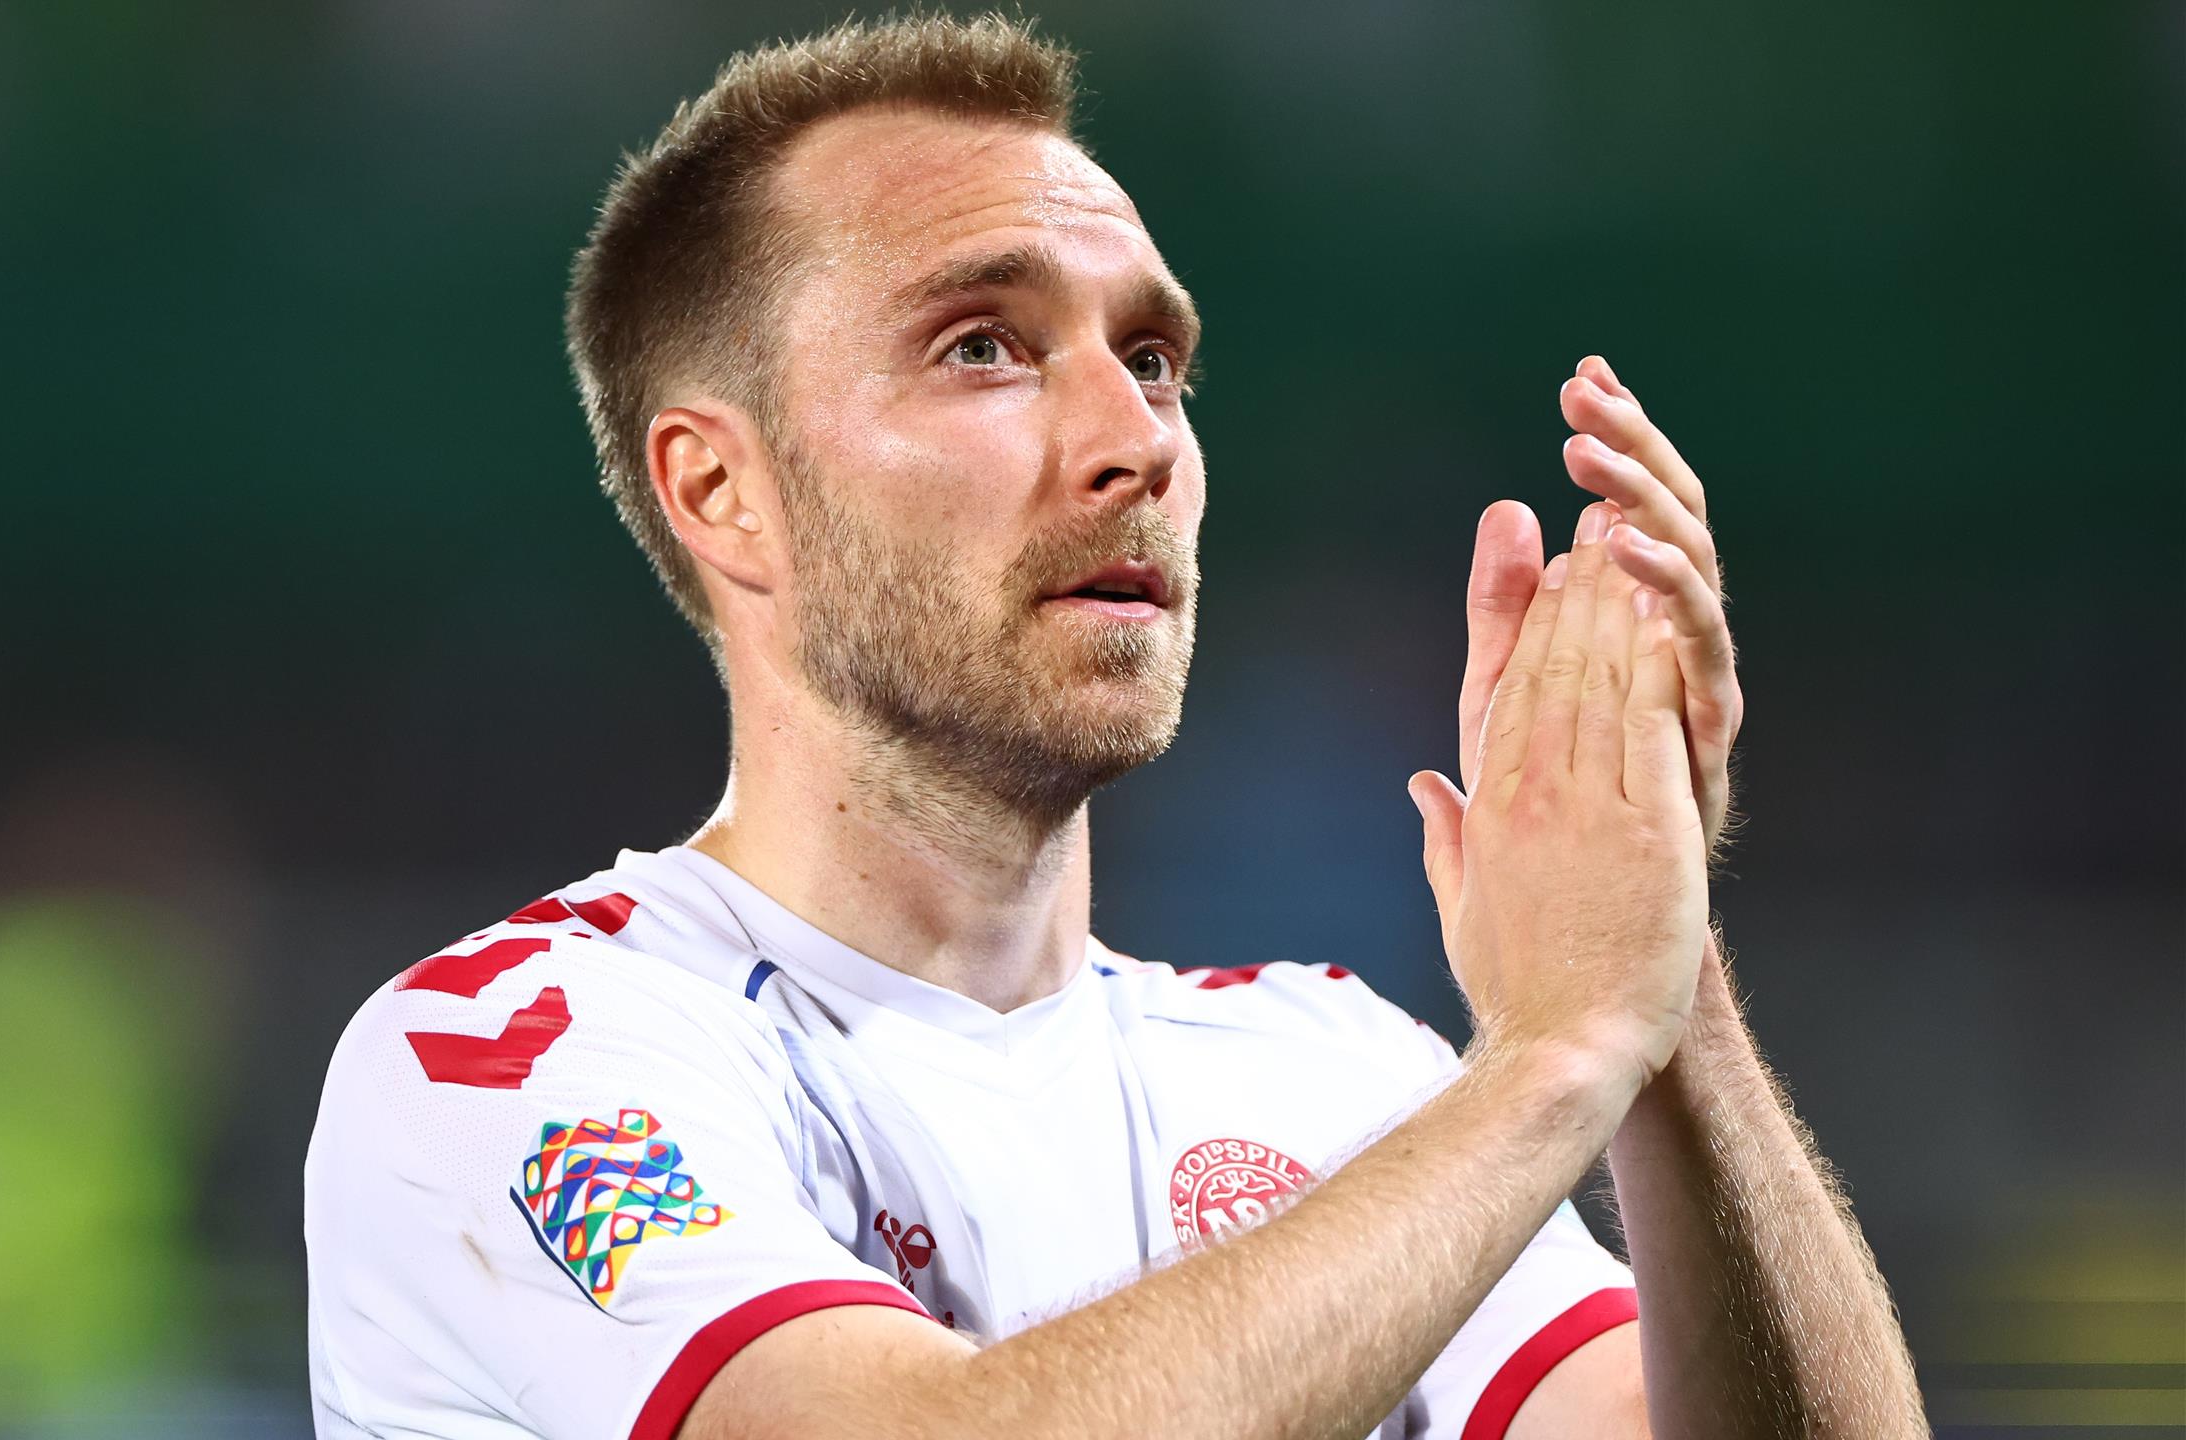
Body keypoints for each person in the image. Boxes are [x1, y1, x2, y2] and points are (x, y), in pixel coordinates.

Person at [303, 15, 1926, 1439]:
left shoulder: (1330, 1076)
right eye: (983, 348)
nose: (1135, 437)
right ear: (722, 490)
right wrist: (1557, 1059)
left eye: (1153, 359)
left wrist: (1659, 986)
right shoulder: (511, 1061)